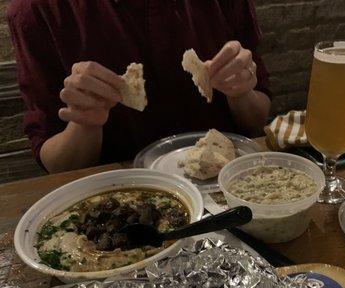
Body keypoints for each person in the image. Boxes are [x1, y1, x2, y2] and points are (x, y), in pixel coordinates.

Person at [7, 0, 271, 173]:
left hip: (230, 188)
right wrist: (85, 124)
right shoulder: (36, 11)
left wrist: (241, 92)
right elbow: (57, 165)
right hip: (121, 204)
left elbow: (258, 118)